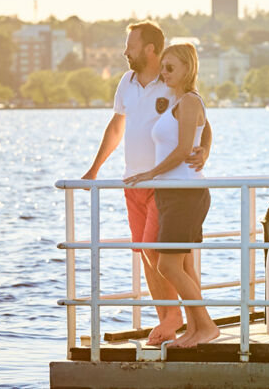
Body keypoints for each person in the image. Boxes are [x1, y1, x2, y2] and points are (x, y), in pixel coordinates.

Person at [81, 20, 211, 347]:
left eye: (131, 45)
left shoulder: (172, 82)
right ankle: (171, 317)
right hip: (132, 183)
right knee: (144, 251)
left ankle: (180, 319)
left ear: (149, 48)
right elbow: (117, 127)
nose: (125, 51)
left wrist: (205, 149)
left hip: (163, 184)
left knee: (163, 254)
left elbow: (202, 123)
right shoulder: (126, 82)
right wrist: (94, 169)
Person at [124, 42, 219, 348]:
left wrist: (152, 173)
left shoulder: (190, 100)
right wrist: (204, 146)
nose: (163, 73)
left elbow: (181, 150)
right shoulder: (177, 100)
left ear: (187, 70)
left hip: (185, 194)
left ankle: (206, 326)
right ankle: (193, 330)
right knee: (183, 265)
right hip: (170, 194)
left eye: (170, 68)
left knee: (167, 265)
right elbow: (204, 129)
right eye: (163, 67)